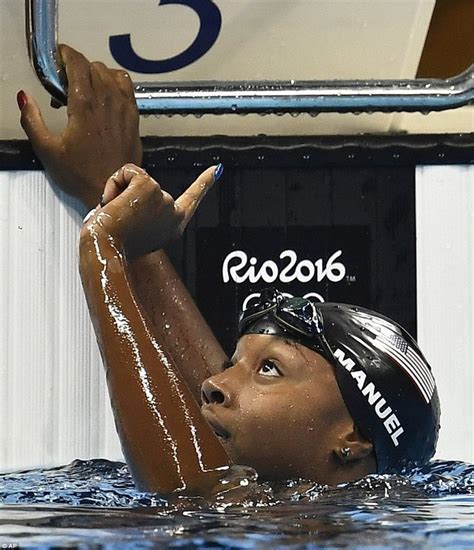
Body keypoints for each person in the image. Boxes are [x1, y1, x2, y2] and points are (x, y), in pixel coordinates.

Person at [18, 46, 440, 496]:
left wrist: (102, 247)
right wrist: (110, 185)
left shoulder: (294, 528)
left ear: (353, 439)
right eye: (235, 362)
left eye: (270, 370)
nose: (213, 385)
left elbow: (190, 489)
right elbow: (204, 464)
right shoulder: (290, 505)